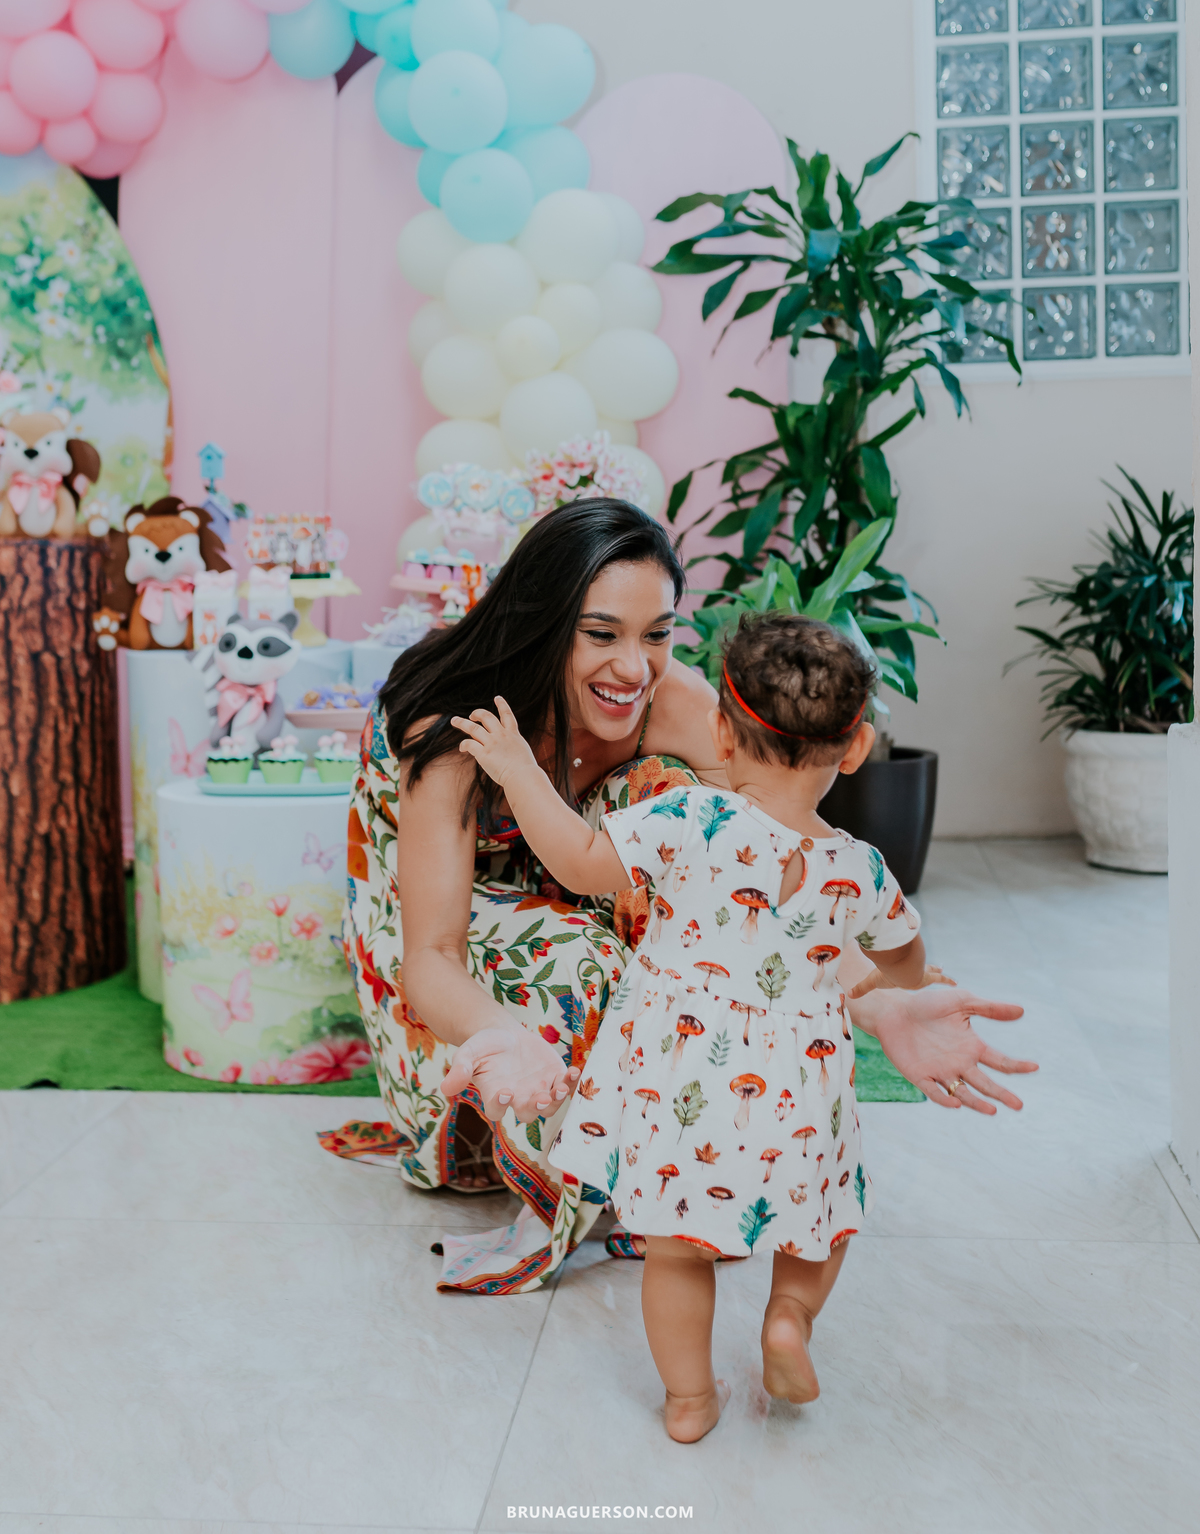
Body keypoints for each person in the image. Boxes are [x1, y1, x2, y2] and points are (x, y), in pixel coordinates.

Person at [338, 498, 1037, 1296]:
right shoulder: (461, 727)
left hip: (581, 865)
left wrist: (876, 1005)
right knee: (580, 958)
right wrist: (506, 1037)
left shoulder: (670, 706)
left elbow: (768, 870)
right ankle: (566, 1172)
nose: (634, 667)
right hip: (438, 910)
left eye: (659, 634)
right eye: (600, 634)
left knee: (683, 801)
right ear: (542, 623)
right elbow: (431, 955)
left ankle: (647, 1149)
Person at [454, 611, 938, 1439]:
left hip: (681, 1078)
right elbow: (906, 964)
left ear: (721, 726)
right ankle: (789, 1314)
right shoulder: (861, 870)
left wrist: (515, 768)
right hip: (799, 1086)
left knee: (678, 1251)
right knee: (820, 1224)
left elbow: (577, 861)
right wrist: (907, 989)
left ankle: (688, 1399)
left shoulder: (690, 819)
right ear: (854, 749)